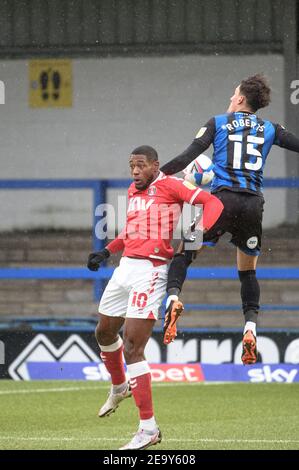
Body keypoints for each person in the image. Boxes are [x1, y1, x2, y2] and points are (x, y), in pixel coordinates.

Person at [87, 145, 223, 450]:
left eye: (140, 166)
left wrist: (199, 232)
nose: (135, 171)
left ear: (155, 166)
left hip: (151, 271)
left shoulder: (171, 185)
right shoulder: (133, 191)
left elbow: (212, 202)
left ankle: (148, 428)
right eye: (131, 166)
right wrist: (106, 251)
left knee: (133, 346)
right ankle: (120, 385)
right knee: (104, 331)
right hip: (125, 268)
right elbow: (131, 232)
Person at [160, 74, 299, 365]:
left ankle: (173, 299)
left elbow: (188, 156)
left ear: (239, 99)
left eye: (233, 94)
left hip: (219, 203)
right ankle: (250, 328)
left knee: (184, 253)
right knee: (247, 272)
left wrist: (158, 176)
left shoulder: (218, 122)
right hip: (252, 205)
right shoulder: (270, 129)